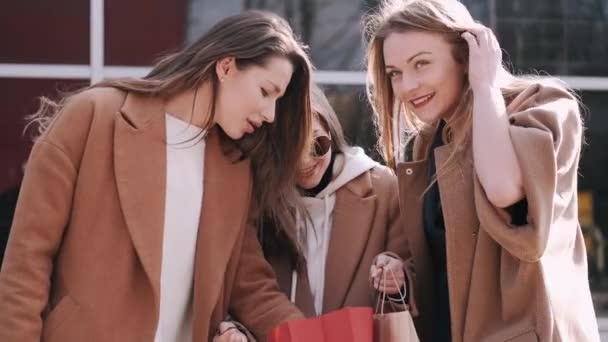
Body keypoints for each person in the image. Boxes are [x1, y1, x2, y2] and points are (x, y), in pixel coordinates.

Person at [0, 10, 313, 342]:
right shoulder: (94, 117)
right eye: (266, 92)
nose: (270, 115)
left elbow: (252, 290)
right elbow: (27, 264)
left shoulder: (234, 169)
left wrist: (315, 337)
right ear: (226, 67)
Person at [364, 0, 600, 341]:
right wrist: (403, 273)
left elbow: (503, 189)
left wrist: (486, 85)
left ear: (466, 55)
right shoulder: (428, 145)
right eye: (395, 73)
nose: (408, 85)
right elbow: (451, 261)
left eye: (422, 64)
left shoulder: (544, 107)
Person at [215, 84, 409, 342]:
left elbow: (412, 278)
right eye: (292, 150)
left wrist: (397, 276)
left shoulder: (383, 187)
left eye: (317, 144)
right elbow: (243, 294)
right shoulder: (255, 200)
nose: (306, 162)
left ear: (331, 129)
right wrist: (234, 331)